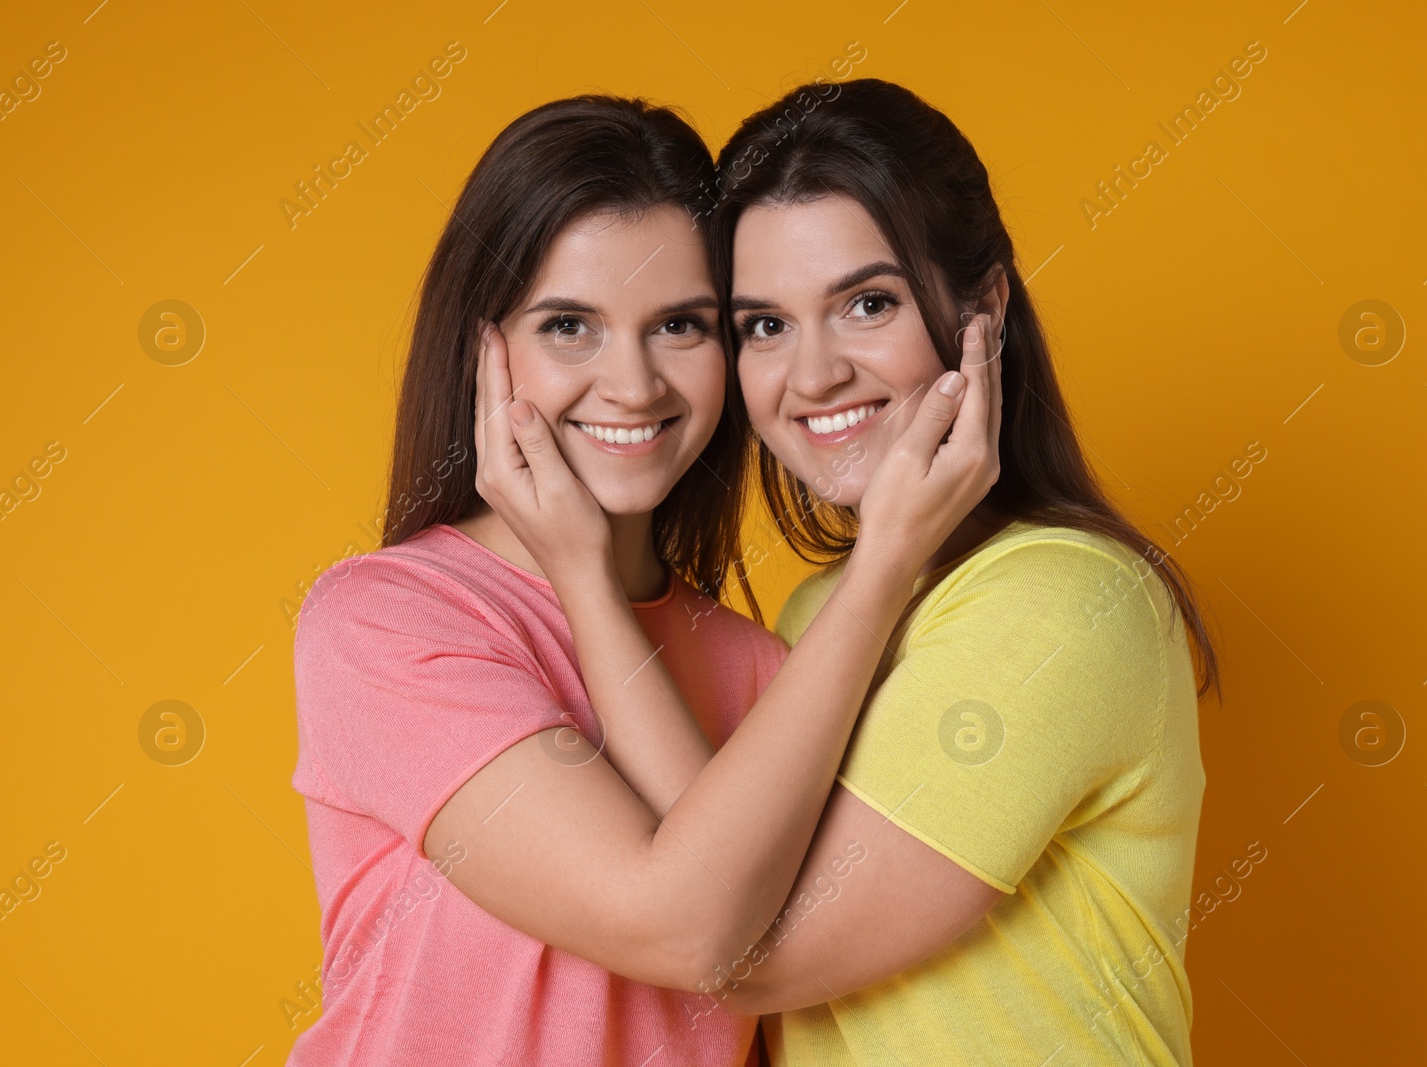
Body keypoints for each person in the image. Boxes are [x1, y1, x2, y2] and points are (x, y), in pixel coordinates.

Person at [287, 93, 998, 1067]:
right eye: (569, 325)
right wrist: (883, 563)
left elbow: (772, 964)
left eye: (679, 325)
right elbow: (680, 928)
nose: (632, 384)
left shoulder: (769, 665)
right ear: (481, 347)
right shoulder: (388, 621)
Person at [679, 79, 1222, 1064]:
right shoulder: (819, 613)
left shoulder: (1063, 599)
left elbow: (732, 947)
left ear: (985, 306)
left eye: (867, 303)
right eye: (764, 324)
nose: (811, 376)